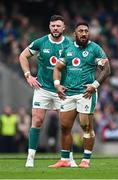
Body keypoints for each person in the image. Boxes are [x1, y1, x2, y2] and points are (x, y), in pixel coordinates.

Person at [48, 22, 111, 168]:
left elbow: (106, 69)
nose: (84, 33)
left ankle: (86, 160)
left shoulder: (95, 49)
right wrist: (57, 85)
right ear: (75, 33)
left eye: (86, 31)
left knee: (86, 126)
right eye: (81, 31)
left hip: (85, 93)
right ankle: (65, 160)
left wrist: (94, 85)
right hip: (68, 93)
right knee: (64, 127)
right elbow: (57, 68)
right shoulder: (68, 48)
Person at [19, 15, 77, 167]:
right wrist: (28, 76)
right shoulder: (41, 42)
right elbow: (23, 56)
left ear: (64, 28)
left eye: (58, 26)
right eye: (53, 26)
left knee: (66, 125)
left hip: (61, 90)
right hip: (42, 88)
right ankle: (30, 158)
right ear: (49, 27)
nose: (55, 28)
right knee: (37, 120)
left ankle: (69, 159)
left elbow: (76, 66)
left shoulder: (70, 44)